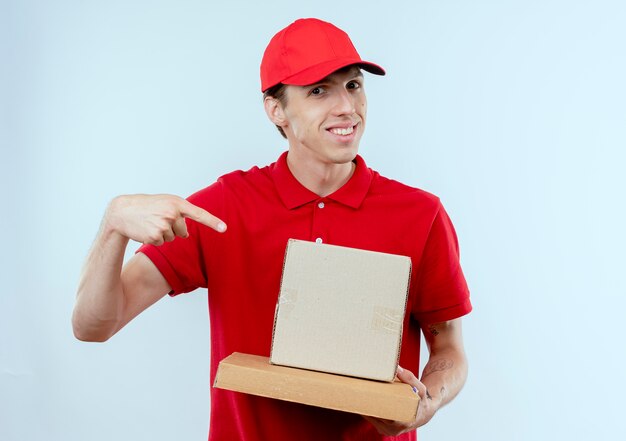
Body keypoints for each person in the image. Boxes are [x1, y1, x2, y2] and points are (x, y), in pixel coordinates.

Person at [72, 18, 472, 441]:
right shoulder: (224, 207)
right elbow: (93, 326)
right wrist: (113, 224)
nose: (346, 108)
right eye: (319, 90)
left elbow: (449, 348)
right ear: (275, 109)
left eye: (353, 85)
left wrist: (427, 401)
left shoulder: (419, 213)